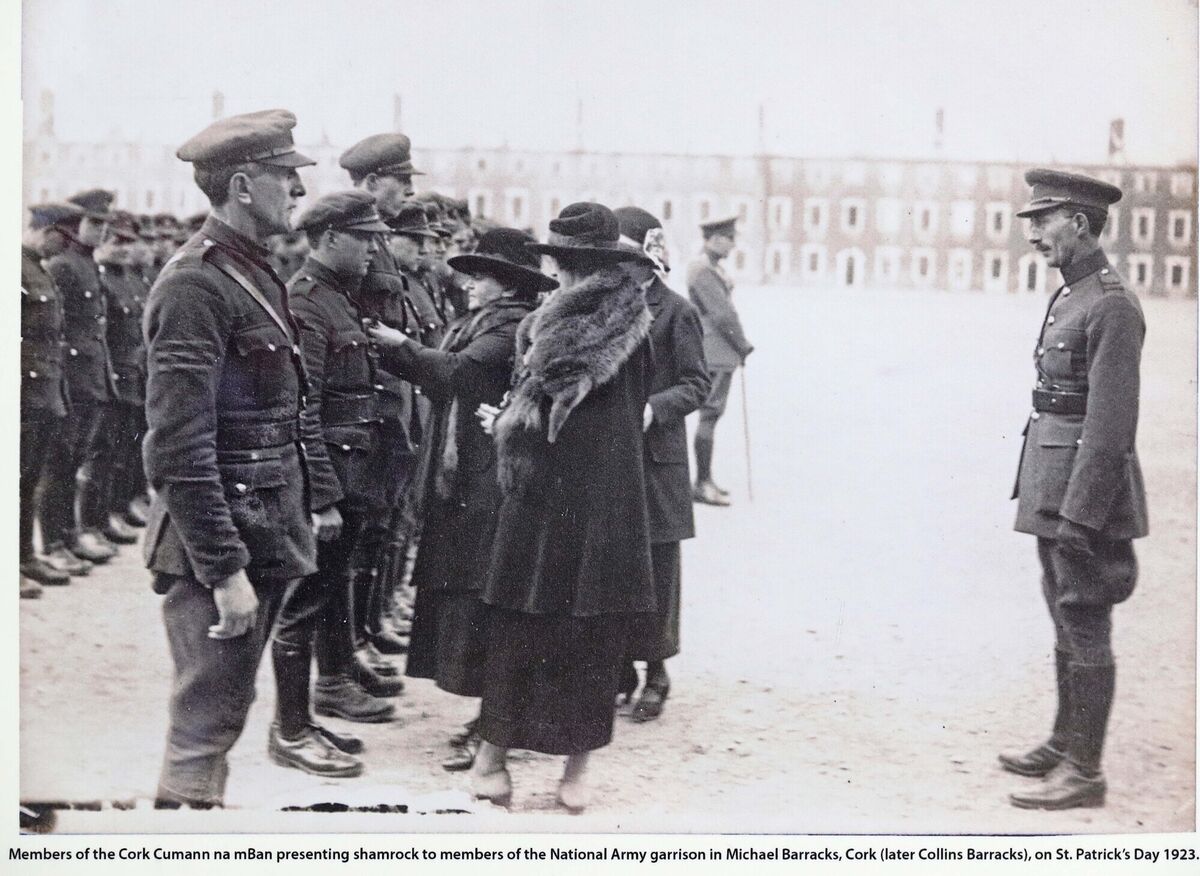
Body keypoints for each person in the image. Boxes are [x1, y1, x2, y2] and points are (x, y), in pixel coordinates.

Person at [142, 109, 319, 808]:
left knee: (223, 715)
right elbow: (179, 447)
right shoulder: (196, 283)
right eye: (287, 178)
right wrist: (224, 572)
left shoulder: (250, 271)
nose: (299, 193)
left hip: (258, 531)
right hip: (216, 550)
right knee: (202, 728)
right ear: (244, 185)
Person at [468, 202, 656, 812]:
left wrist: (516, 425)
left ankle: (498, 761)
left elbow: (598, 418)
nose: (561, 274)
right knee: (577, 627)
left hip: (568, 500)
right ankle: (562, 772)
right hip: (590, 505)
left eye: (566, 263)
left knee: (529, 622)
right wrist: (516, 419)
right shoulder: (566, 320)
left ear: (584, 266)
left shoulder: (613, 325)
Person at [367, 227, 555, 772]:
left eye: (481, 276)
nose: (468, 285)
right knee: (471, 599)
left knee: (486, 600)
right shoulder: (484, 322)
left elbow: (459, 375)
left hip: (489, 487)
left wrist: (399, 348)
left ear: (506, 285)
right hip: (468, 483)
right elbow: (445, 376)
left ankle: (498, 721)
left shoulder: (512, 327)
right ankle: (493, 718)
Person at [1001, 169, 1148, 811]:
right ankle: (1064, 744)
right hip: (1052, 486)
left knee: (1085, 622)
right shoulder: (1071, 295)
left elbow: (1111, 428)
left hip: (1084, 499)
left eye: (1042, 220)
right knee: (1062, 617)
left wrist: (1080, 517)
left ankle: (1086, 771)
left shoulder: (1110, 304)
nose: (1033, 233)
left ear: (1080, 224)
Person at [614, 206, 711, 722]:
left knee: (656, 570)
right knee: (614, 566)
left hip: (656, 464)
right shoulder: (606, 309)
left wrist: (655, 407)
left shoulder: (676, 311)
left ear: (646, 257)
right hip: (613, 462)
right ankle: (620, 670)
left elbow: (698, 383)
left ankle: (657, 672)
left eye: (623, 258)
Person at [340, 133, 427, 659]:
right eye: (403, 182)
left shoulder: (379, 247)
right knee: (354, 542)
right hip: (369, 415)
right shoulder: (360, 249)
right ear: (372, 183)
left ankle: (359, 639)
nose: (409, 194)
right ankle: (344, 655)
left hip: (392, 413)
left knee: (376, 533)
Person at [41, 189, 118, 568]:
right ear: (76, 225)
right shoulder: (62, 266)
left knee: (75, 461)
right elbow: (55, 329)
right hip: (71, 379)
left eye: (106, 224)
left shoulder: (90, 264)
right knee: (60, 462)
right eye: (94, 223)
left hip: (92, 377)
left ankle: (69, 536)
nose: (102, 231)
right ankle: (54, 543)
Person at [20, 203, 80, 596]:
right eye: (62, 238)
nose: (64, 248)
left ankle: (23, 556)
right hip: (23, 395)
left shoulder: (37, 269)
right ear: (46, 230)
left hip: (42, 395)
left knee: (28, 481)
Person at [79, 215, 143, 548]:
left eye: (128, 243)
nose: (123, 249)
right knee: (100, 454)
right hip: (108, 378)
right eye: (117, 242)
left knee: (122, 451)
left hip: (130, 377)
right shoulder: (100, 279)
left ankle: (109, 514)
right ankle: (91, 522)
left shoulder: (128, 279)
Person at [687, 215, 753, 506]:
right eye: (730, 238)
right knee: (710, 414)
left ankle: (705, 479)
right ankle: (701, 483)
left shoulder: (710, 267)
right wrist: (743, 345)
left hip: (718, 350)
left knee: (711, 415)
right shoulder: (703, 270)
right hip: (716, 350)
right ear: (714, 239)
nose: (734, 244)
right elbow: (722, 314)